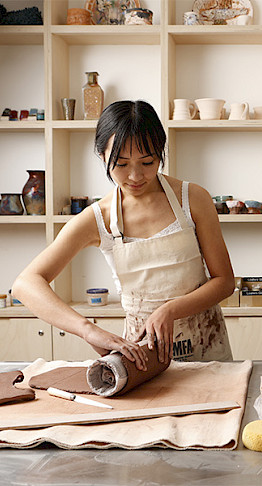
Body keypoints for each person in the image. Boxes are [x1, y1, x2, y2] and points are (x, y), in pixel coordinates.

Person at [13, 100, 234, 369]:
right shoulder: (99, 218)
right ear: (102, 155)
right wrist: (87, 329)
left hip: (207, 347)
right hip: (141, 357)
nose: (135, 176)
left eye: (148, 161)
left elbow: (224, 281)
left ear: (160, 152)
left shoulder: (192, 198)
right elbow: (26, 284)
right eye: (121, 164)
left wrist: (170, 310)